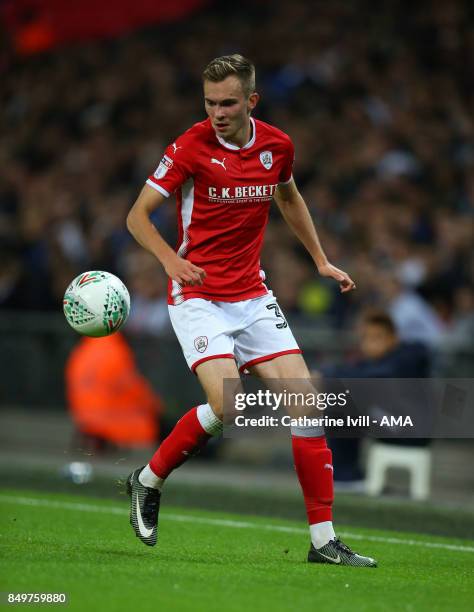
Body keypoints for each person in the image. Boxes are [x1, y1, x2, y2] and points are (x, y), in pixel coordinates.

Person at [125, 54, 376, 567]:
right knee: (229, 408)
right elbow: (136, 217)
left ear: (251, 101)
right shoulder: (189, 147)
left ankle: (323, 541)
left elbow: (289, 198)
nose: (217, 112)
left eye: (228, 103)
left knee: (307, 406)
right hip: (198, 297)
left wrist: (322, 261)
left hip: (252, 296)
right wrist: (172, 261)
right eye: (210, 102)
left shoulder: (277, 146)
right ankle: (146, 480)